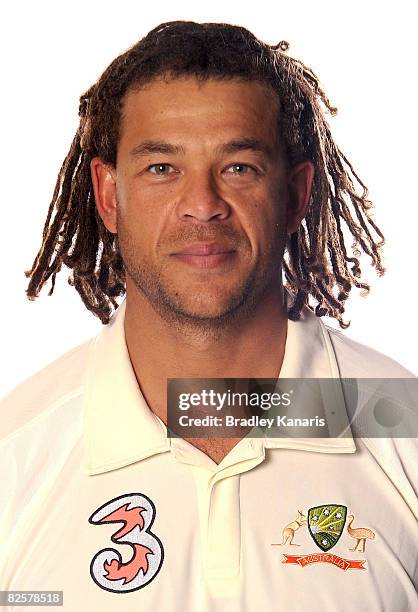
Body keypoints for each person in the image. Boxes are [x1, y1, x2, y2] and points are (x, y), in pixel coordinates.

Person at [0, 20, 416, 612]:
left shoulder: (404, 429)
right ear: (109, 194)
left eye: (239, 167)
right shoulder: (15, 454)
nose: (202, 205)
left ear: (295, 194)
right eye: (162, 168)